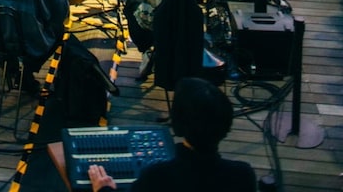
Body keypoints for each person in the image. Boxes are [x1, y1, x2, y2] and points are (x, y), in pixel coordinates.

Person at [88, 77, 255, 191]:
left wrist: (104, 189)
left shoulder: (156, 178)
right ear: (226, 126)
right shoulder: (243, 176)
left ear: (178, 124)